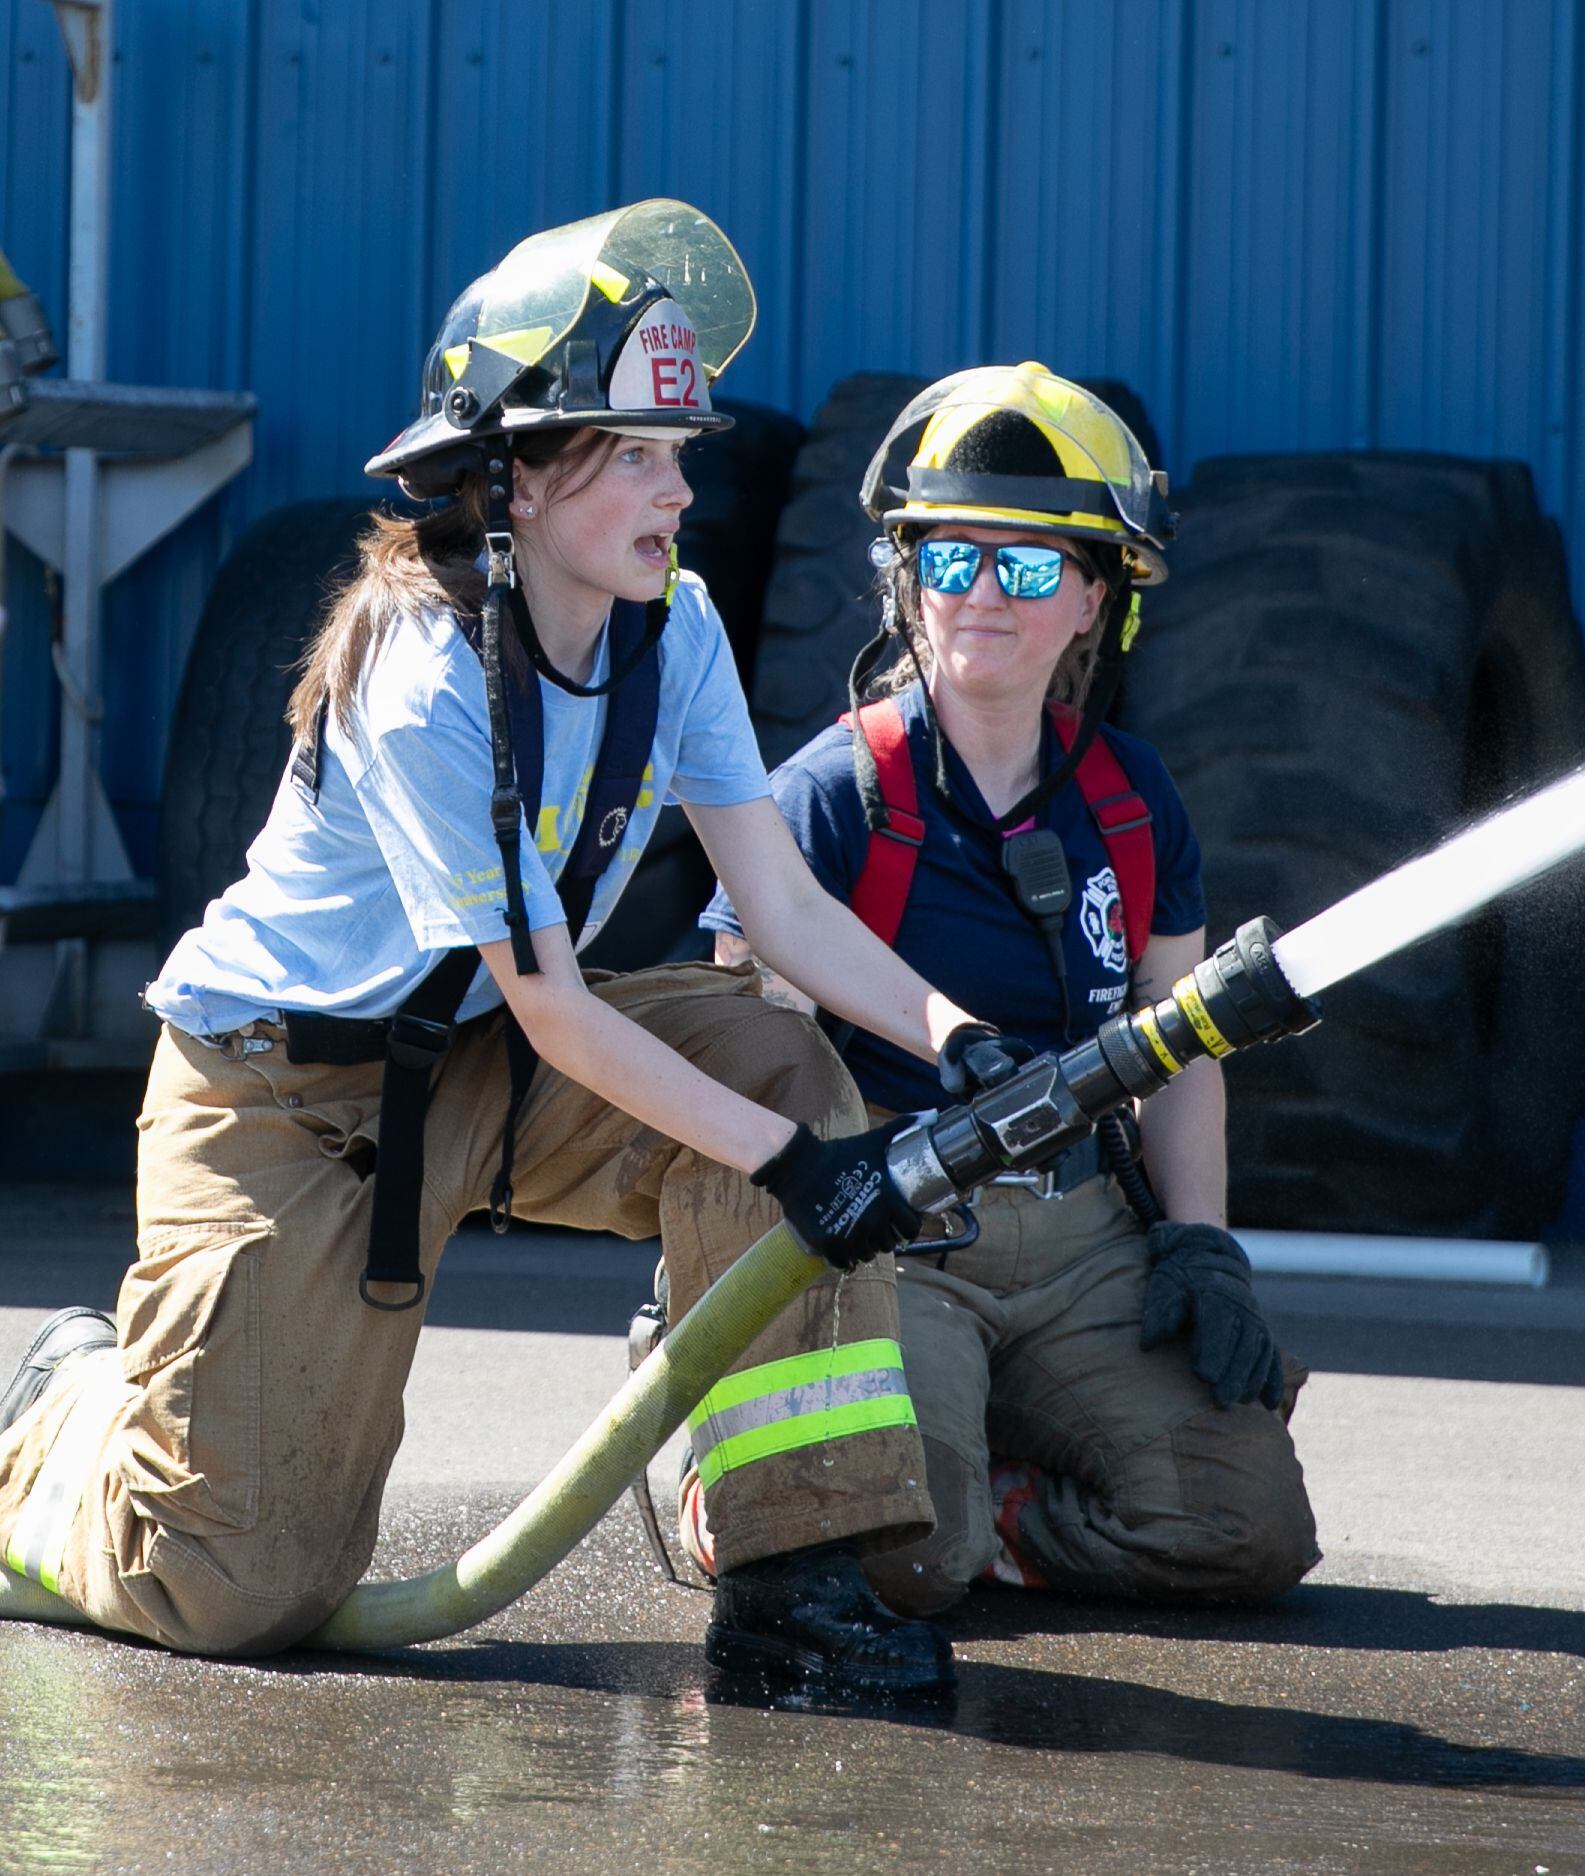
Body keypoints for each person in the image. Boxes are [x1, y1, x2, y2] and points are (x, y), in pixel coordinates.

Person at [0, 202, 997, 1699]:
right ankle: (58, 1407)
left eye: (684, 454)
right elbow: (552, 1003)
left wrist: (963, 1039)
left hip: (480, 1056)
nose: (681, 491)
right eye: (637, 455)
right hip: (285, 1101)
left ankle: (799, 1591)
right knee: (231, 1588)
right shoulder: (420, 674)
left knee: (784, 1065)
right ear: (514, 477)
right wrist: (803, 1176)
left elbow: (779, 910)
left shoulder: (684, 627)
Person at [701, 363, 1320, 1615]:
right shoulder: (833, 794)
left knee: (1245, 1528)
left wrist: (1200, 1245)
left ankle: (999, 1505)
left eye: (1031, 567)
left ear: (1094, 600)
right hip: (898, 1239)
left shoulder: (1135, 804)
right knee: (898, 1565)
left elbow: (1183, 1042)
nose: (985, 594)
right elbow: (731, 1033)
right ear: (907, 583)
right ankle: (762, 1494)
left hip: (1083, 1240)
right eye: (953, 561)